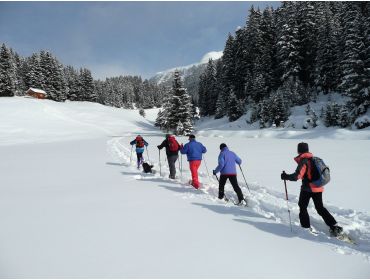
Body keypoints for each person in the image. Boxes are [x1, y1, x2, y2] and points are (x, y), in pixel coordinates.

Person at [281, 142, 343, 236]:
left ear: (299, 150)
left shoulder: (304, 161)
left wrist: (286, 176)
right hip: (318, 187)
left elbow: (297, 176)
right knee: (320, 208)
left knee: (302, 206)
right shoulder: (315, 159)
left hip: (308, 188)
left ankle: (305, 228)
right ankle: (334, 226)